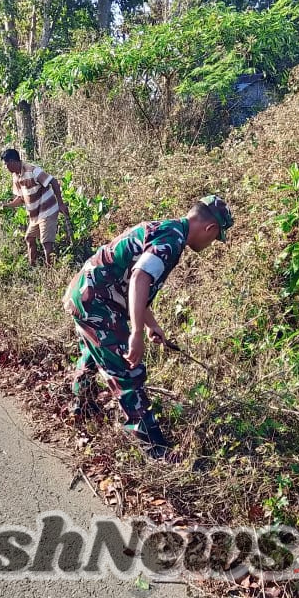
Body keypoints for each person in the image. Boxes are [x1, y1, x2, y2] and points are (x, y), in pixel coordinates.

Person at [62, 195, 233, 458]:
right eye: (215, 238)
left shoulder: (166, 229)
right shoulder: (171, 242)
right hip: (95, 302)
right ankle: (153, 446)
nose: (211, 243)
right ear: (210, 228)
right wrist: (136, 332)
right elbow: (139, 278)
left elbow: (134, 284)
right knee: (127, 369)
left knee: (94, 353)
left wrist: (151, 325)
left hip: (86, 293)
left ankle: (81, 408)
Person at [0, 148, 69, 266]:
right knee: (29, 238)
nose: (6, 167)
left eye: (6, 164)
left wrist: (60, 204)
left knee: (46, 242)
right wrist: (8, 205)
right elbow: (21, 199)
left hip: (48, 210)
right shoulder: (16, 177)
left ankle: (51, 270)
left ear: (12, 162)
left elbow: (53, 182)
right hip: (35, 216)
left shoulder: (32, 170)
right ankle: (33, 267)